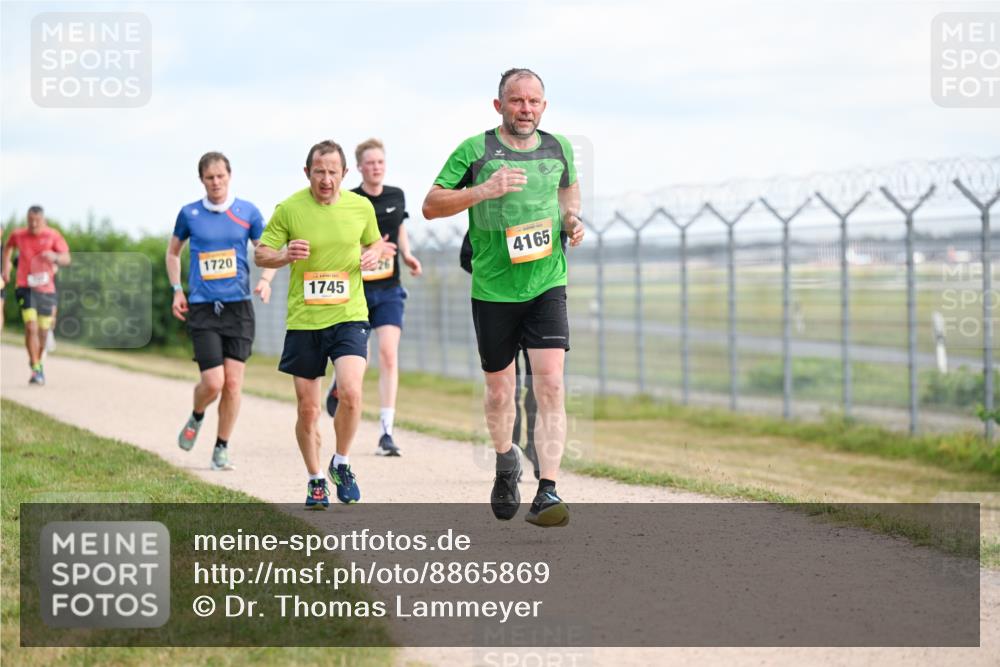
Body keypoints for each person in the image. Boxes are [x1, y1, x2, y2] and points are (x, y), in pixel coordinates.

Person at [423, 68, 583, 527]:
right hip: (493, 288)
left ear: (544, 106)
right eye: (516, 101)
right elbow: (431, 205)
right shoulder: (474, 150)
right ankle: (505, 460)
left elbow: (569, 194)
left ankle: (548, 491)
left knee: (550, 383)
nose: (525, 109)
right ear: (499, 106)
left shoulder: (560, 148)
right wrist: (483, 190)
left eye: (533, 101)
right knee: (500, 392)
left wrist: (571, 221)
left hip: (547, 280)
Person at [255, 139, 393, 509]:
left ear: (345, 174)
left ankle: (342, 463)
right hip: (305, 321)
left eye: (334, 172)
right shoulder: (289, 209)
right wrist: (284, 255)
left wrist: (374, 254)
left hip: (349, 315)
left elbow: (377, 244)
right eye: (320, 172)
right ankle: (316, 479)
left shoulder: (360, 207)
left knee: (350, 391)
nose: (327, 179)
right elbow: (261, 253)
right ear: (307, 173)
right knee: (307, 409)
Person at [167, 152, 275, 471]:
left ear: (230, 176)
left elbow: (266, 252)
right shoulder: (189, 214)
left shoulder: (248, 212)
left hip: (238, 308)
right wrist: (177, 291)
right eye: (210, 177)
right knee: (213, 382)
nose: (216, 182)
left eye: (221, 176)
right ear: (201, 179)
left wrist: (266, 279)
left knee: (232, 384)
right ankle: (198, 414)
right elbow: (173, 254)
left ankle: (221, 448)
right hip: (202, 307)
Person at [326, 139, 422, 458]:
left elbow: (399, 231)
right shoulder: (350, 200)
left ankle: (386, 431)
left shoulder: (397, 196)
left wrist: (406, 255)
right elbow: (338, 243)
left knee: (389, 354)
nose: (376, 167)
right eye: (370, 163)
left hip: (390, 288)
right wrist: (369, 250)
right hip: (358, 291)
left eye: (380, 161)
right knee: (361, 359)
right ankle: (340, 383)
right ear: (359, 168)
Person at [2, 205, 71, 385]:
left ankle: (38, 361)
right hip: (25, 286)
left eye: (36, 221)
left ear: (43, 220)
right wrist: (6, 267)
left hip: (46, 289)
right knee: (30, 327)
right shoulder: (18, 234)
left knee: (43, 331)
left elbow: (66, 258)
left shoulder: (53, 235)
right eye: (30, 220)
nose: (33, 224)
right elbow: (8, 247)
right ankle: (35, 368)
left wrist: (55, 257)